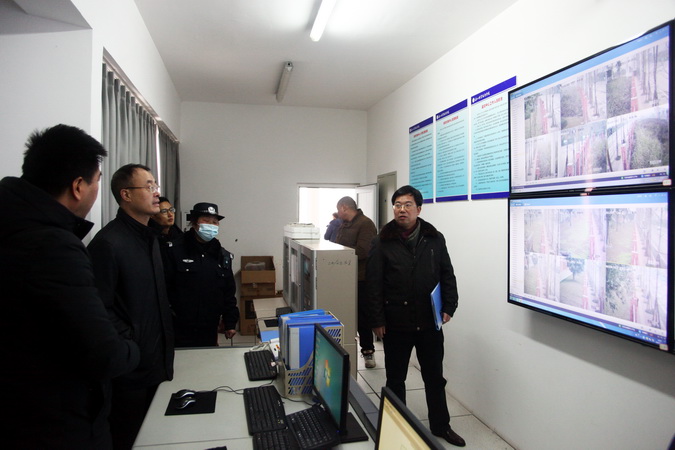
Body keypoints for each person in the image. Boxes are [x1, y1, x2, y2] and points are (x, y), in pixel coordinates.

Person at [0, 124, 140, 449]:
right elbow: (103, 353)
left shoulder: (13, 226)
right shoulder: (53, 246)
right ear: (78, 186)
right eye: (96, 182)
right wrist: (134, 348)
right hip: (53, 422)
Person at [366, 185, 465, 447]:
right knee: (395, 379)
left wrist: (449, 305)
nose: (402, 209)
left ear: (418, 209)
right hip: (395, 322)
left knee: (434, 378)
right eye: (398, 205)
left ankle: (441, 426)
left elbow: (447, 274)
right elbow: (373, 284)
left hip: (429, 321)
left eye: (408, 205)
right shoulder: (381, 241)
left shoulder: (434, 238)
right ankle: (397, 426)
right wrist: (377, 320)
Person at [88, 164, 174, 450]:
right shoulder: (108, 243)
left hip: (156, 363)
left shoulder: (149, 238)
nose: (156, 193)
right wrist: (131, 342)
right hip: (130, 373)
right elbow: (99, 310)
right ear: (126, 194)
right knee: (130, 438)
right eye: (149, 187)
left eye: (155, 186)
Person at [163, 202, 239, 347]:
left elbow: (228, 293)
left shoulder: (222, 256)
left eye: (214, 222)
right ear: (194, 223)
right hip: (178, 327)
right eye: (206, 220)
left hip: (209, 327)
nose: (211, 225)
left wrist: (230, 322)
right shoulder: (174, 250)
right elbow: (163, 289)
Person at [334, 196, 378, 368]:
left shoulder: (366, 224)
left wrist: (340, 254)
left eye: (338, 209)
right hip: (345, 276)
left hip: (361, 278)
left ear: (344, 207)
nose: (338, 213)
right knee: (343, 313)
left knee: (362, 317)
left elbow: (363, 251)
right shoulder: (344, 224)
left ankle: (368, 351)